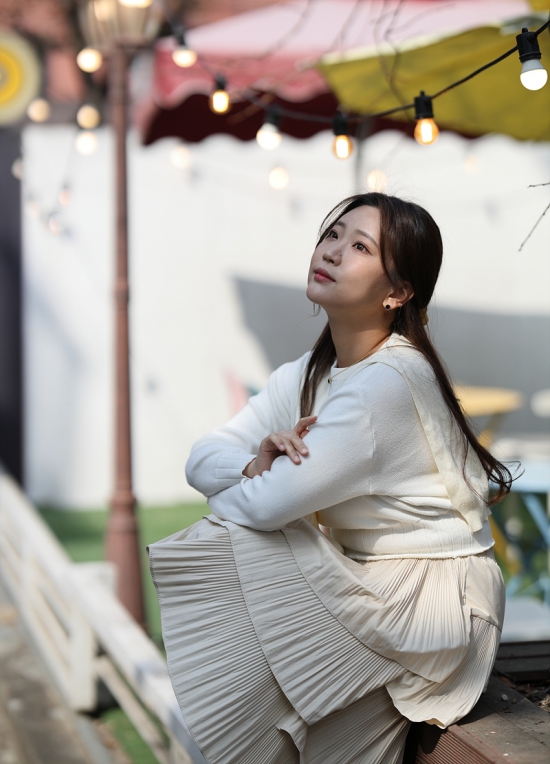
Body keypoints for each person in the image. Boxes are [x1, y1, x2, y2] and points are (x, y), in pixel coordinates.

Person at [149, 192, 511, 764]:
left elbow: (265, 508)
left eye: (360, 246)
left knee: (237, 536)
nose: (333, 251)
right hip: (367, 579)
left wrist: (259, 485)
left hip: (433, 603)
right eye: (333, 234)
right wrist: (249, 465)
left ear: (398, 292)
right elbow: (203, 456)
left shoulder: (384, 386)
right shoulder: (312, 371)